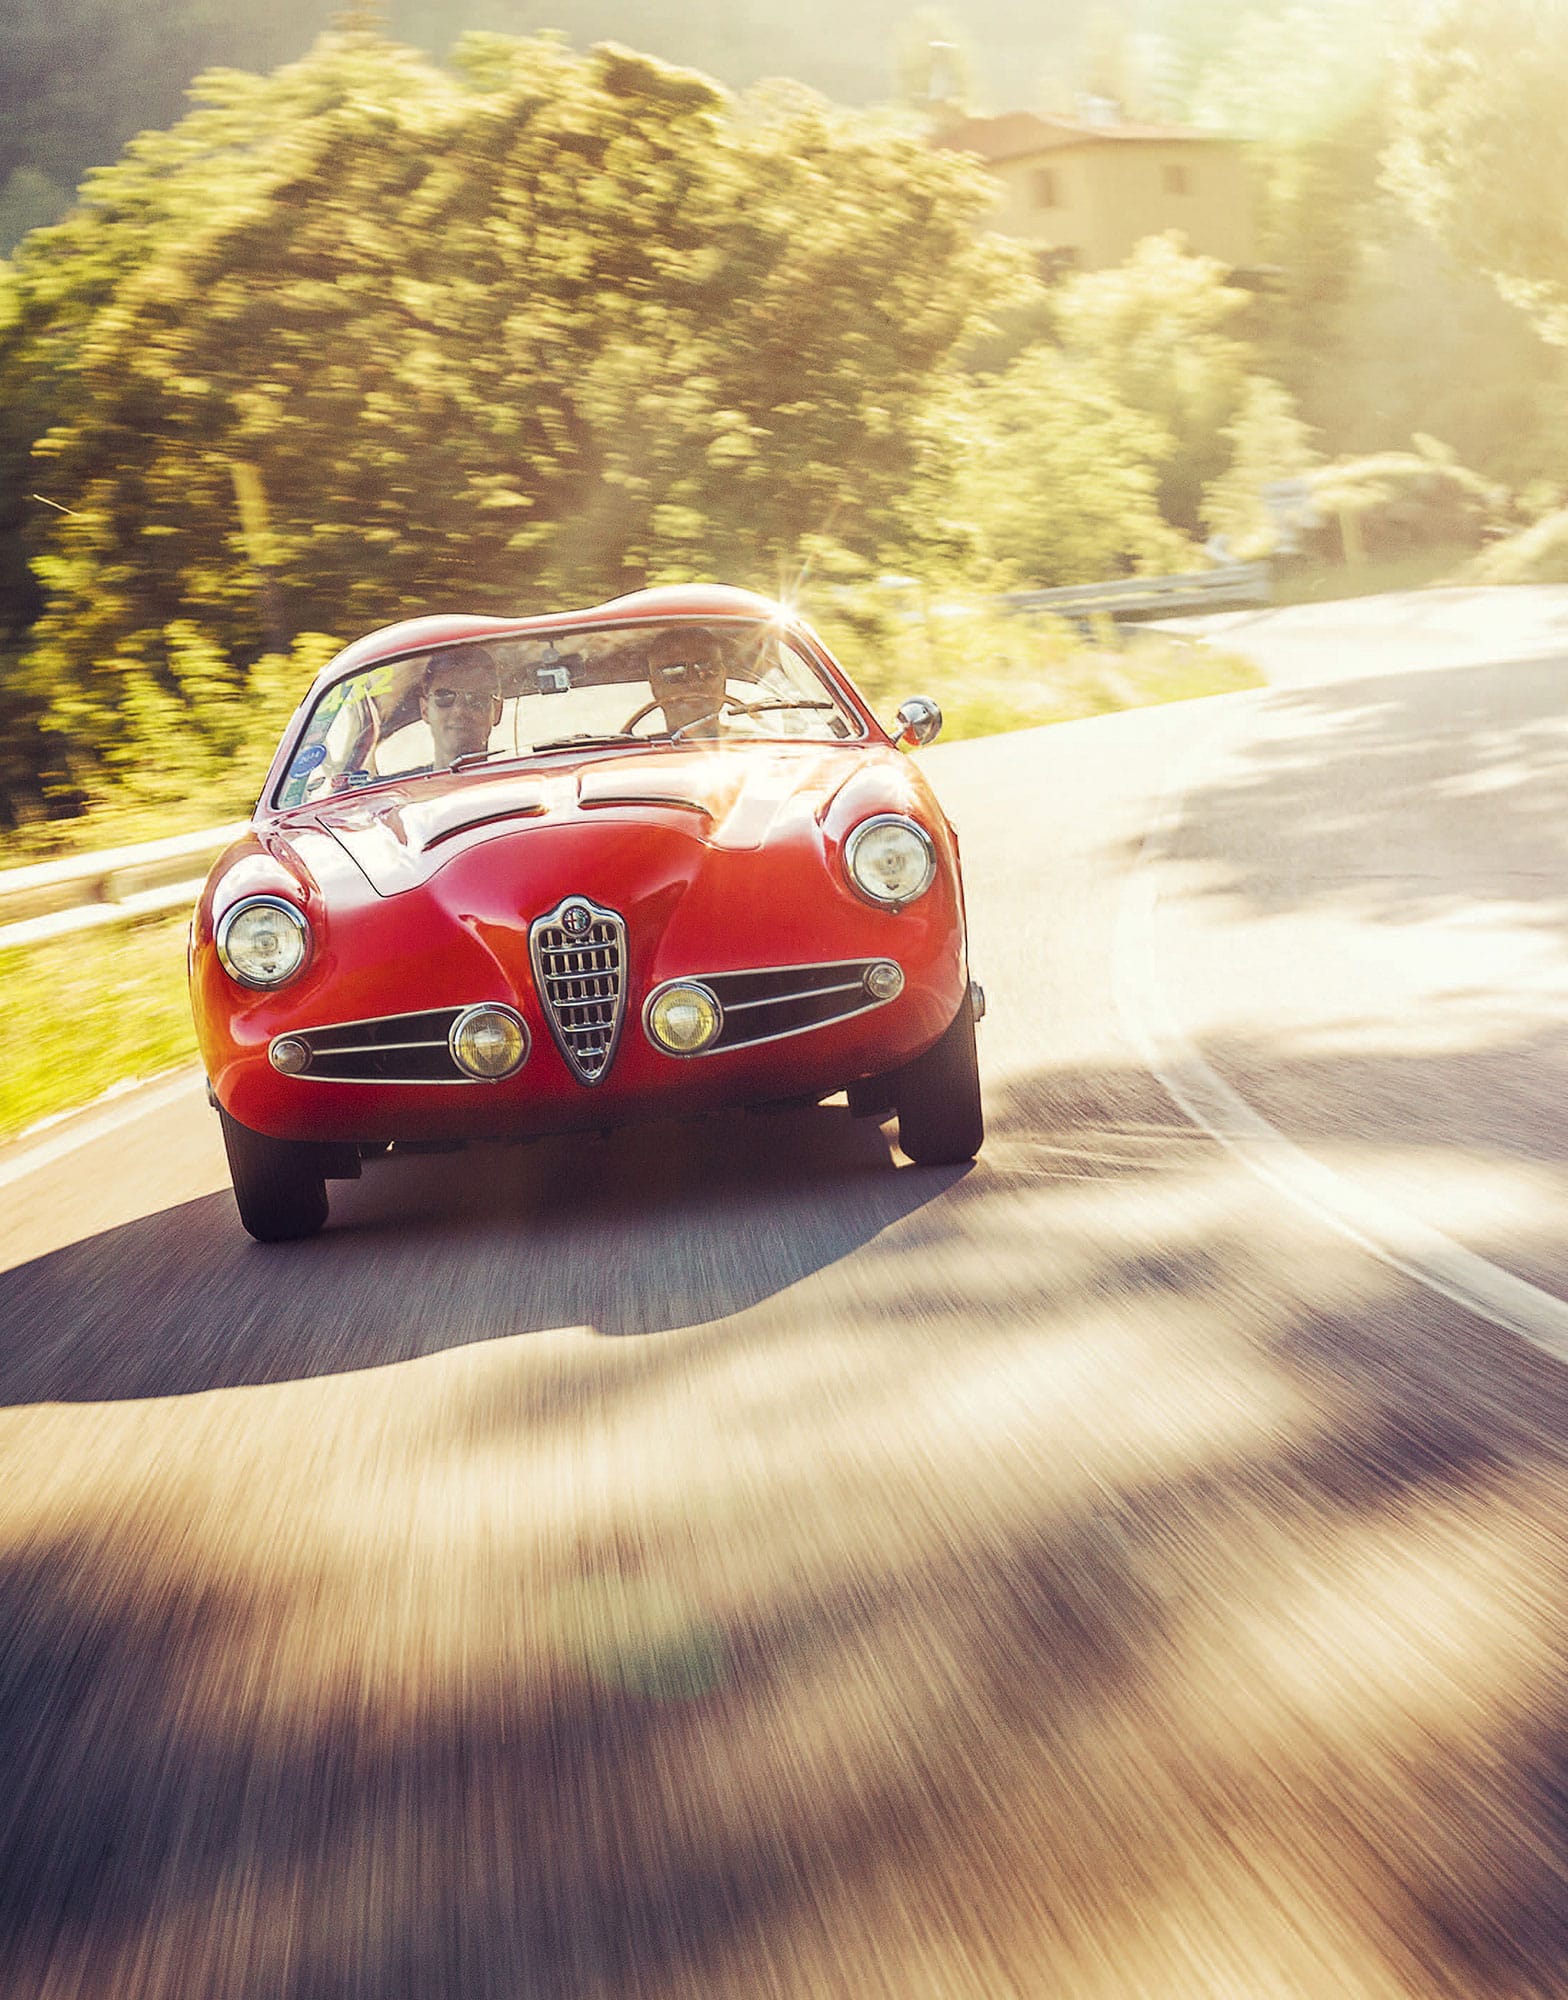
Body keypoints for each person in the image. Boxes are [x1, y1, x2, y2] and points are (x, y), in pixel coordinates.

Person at [419, 646, 502, 769]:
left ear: (497, 711)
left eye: (476, 699)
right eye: (444, 697)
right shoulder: (394, 786)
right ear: (425, 710)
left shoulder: (526, 784)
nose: (459, 711)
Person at [642, 627, 730, 737]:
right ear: (654, 686)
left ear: (723, 677)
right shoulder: (628, 752)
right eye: (674, 672)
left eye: (707, 669)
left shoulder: (754, 746)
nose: (693, 682)